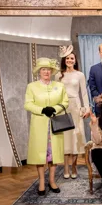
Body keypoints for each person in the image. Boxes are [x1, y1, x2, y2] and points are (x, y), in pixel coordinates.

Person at [24, 57, 69, 196]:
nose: (46, 72)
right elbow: (28, 104)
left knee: (53, 155)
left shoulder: (59, 86)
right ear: (39, 71)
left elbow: (65, 102)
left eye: (48, 69)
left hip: (55, 125)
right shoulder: (32, 86)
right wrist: (42, 110)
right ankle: (42, 182)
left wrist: (54, 108)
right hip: (39, 125)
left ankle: (52, 180)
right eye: (43, 69)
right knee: (40, 156)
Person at [55, 45, 90, 179]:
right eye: (67, 58)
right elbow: (55, 93)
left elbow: (84, 93)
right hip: (62, 107)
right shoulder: (58, 75)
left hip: (75, 107)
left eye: (72, 58)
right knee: (65, 137)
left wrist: (86, 108)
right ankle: (65, 167)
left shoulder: (80, 74)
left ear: (75, 60)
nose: (70, 60)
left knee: (75, 137)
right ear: (64, 59)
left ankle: (74, 166)